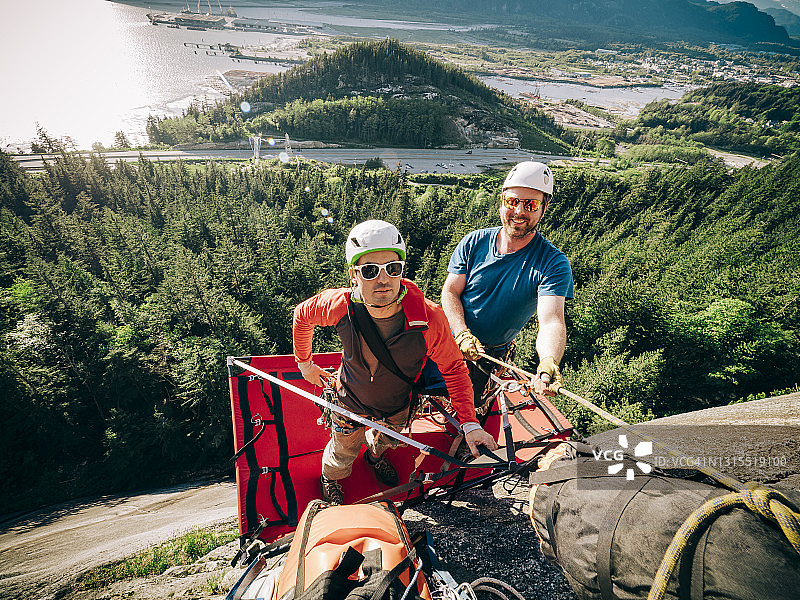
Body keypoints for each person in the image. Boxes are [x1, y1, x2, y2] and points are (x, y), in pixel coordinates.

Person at [293, 219, 497, 505]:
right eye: (370, 270)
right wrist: (304, 363)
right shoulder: (339, 305)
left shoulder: (427, 318)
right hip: (350, 399)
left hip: (397, 406)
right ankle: (333, 477)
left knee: (385, 441)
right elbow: (302, 316)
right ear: (354, 275)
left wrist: (471, 424)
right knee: (342, 451)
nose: (383, 279)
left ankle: (375, 457)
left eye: (392, 268)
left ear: (401, 270)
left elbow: (453, 369)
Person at [441, 161, 574, 406]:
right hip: (446, 336)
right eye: (512, 202)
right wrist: (460, 333)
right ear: (502, 202)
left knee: (465, 411)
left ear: (544, 209)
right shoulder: (474, 243)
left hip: (487, 355)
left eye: (530, 205)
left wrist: (548, 362)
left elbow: (552, 320)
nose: (519, 212)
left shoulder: (552, 263)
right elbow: (450, 292)